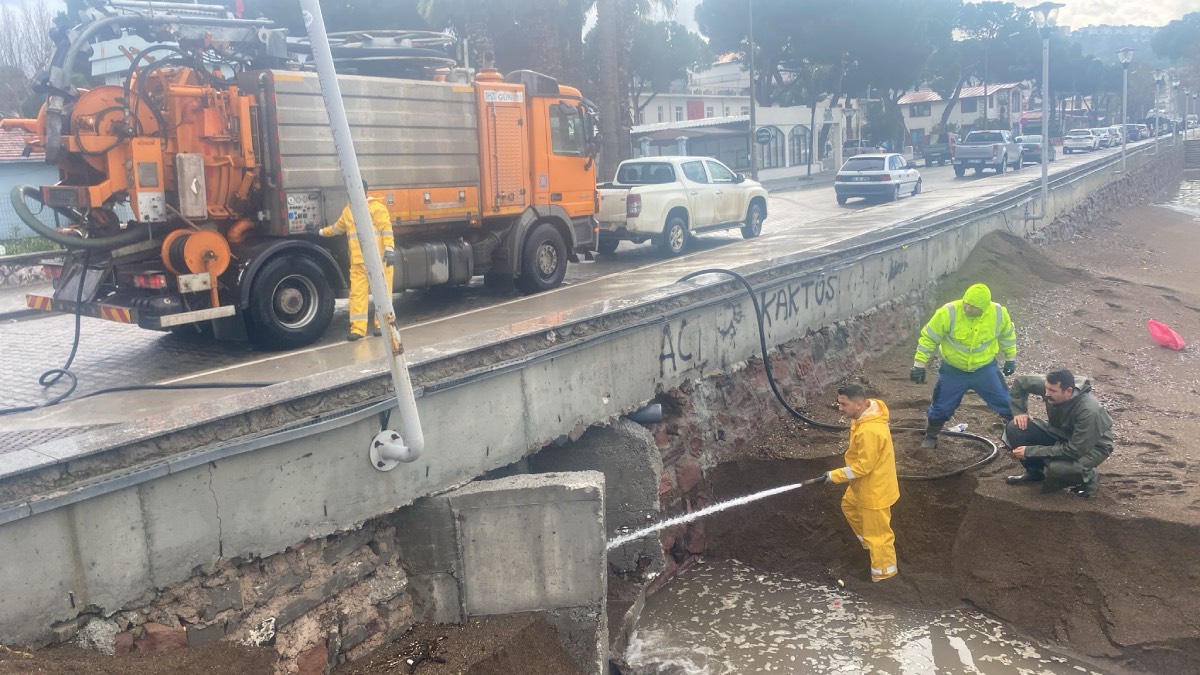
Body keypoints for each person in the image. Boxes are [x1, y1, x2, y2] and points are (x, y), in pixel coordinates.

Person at [910, 283, 1017, 449]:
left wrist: (1011, 359)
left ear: (984, 307)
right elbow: (929, 338)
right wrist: (919, 364)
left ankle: (1015, 434)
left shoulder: (998, 313)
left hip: (985, 369)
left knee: (1005, 402)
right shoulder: (948, 312)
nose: (967, 307)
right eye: (965, 303)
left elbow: (1007, 336)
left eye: (972, 306)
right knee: (942, 407)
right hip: (953, 371)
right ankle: (931, 435)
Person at [824, 383, 899, 583]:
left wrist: (834, 476)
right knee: (848, 506)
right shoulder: (864, 416)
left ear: (859, 404)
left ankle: (884, 576)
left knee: (880, 537)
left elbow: (863, 466)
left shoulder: (869, 431)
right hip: (864, 486)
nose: (839, 408)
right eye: (838, 403)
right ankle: (869, 546)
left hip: (874, 490)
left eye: (843, 404)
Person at [1003, 369, 1113, 496]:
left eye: (1052, 391)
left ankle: (1088, 476)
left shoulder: (1089, 411)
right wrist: (1020, 411)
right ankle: (1034, 473)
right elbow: (1021, 383)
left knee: (1059, 468)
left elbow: (1074, 450)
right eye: (1046, 389)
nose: (1047, 394)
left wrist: (1030, 451)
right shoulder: (1052, 386)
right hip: (1061, 433)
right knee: (1015, 428)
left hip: (1093, 447)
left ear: (1068, 391)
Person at [316, 180, 395, 341]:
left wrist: (389, 249)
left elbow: (386, 229)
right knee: (357, 295)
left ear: (363, 190)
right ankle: (358, 329)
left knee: (383, 294)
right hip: (358, 262)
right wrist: (320, 232)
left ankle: (383, 325)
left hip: (379, 260)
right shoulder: (348, 211)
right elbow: (337, 228)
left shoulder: (376, 208)